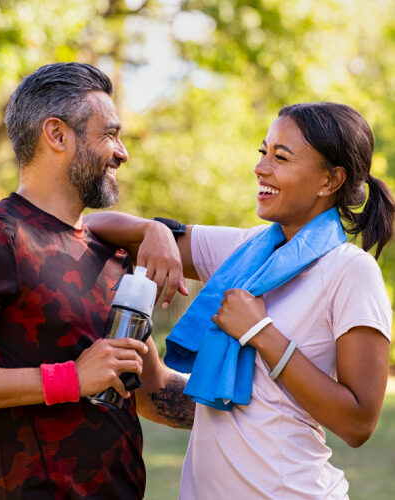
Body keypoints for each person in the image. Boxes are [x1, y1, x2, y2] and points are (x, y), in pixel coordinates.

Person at [0, 62, 195, 500]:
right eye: (109, 134)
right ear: (57, 135)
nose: (122, 152)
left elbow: (151, 392)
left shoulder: (106, 250)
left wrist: (268, 393)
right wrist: (72, 378)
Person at [84, 102, 394, 499]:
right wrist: (152, 230)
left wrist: (260, 332)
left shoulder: (349, 271)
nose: (261, 168)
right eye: (263, 152)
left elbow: (359, 422)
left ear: (330, 180)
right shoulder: (245, 250)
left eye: (281, 157)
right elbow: (93, 227)